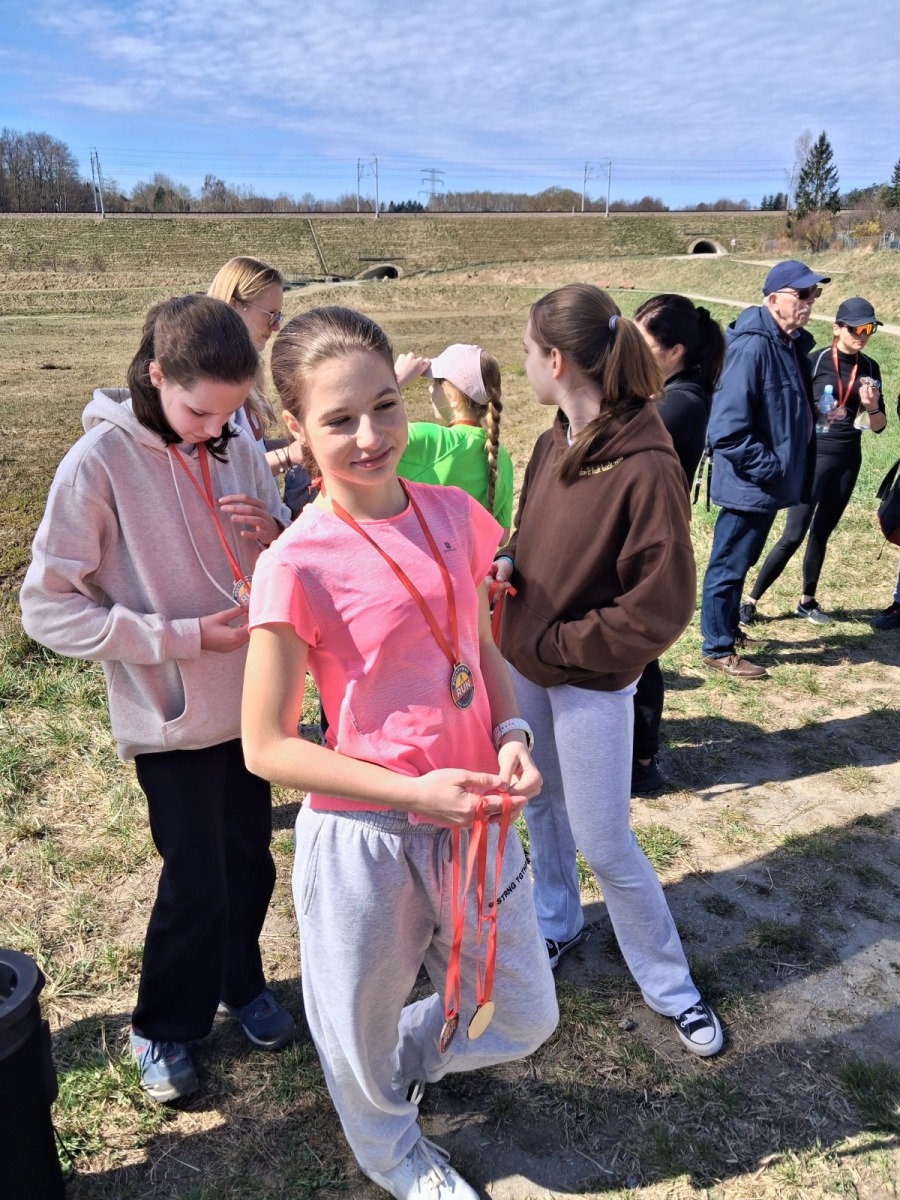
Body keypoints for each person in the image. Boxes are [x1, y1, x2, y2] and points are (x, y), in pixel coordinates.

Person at [241, 306, 558, 1200]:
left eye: (385, 405)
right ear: (296, 429)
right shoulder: (295, 563)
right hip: (367, 840)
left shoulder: (457, 514)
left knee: (523, 1012)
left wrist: (512, 734)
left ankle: (401, 1068)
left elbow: (480, 648)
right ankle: (392, 1153)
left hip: (477, 822)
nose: (371, 436)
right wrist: (413, 794)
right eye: (339, 419)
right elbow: (266, 746)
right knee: (355, 1026)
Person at [19, 295, 296, 1104]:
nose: (215, 430)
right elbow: (47, 608)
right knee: (196, 879)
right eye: (199, 412)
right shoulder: (98, 464)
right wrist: (180, 637)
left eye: (230, 414)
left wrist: (276, 530)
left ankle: (240, 982)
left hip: (249, 705)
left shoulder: (235, 437)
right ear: (155, 375)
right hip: (171, 715)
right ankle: (162, 1025)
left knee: (250, 861)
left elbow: (278, 537)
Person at [491, 283, 723, 1057]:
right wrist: (507, 561)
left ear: (557, 361)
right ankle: (558, 920)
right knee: (541, 805)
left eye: (529, 351)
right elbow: (528, 532)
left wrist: (560, 645)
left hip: (588, 678)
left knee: (604, 840)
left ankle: (671, 985)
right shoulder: (551, 441)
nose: (525, 363)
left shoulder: (646, 463)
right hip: (527, 661)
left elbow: (660, 606)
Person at [699, 260, 829, 679]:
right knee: (728, 564)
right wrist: (772, 468)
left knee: (742, 560)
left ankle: (728, 629)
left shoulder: (787, 343)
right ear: (773, 300)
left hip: (766, 483)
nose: (810, 302)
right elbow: (726, 430)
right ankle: (717, 648)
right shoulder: (753, 347)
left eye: (814, 294)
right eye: (802, 294)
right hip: (750, 482)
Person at [742, 297, 886, 625]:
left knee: (822, 532)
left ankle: (807, 601)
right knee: (793, 534)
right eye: (857, 329)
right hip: (813, 457)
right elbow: (789, 409)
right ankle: (750, 600)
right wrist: (817, 413)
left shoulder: (871, 368)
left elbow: (879, 427)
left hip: (848, 459)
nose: (863, 335)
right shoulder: (815, 360)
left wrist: (872, 406)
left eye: (869, 329)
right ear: (837, 329)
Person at [630, 294, 725, 794]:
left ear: (674, 351)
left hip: (651, 541)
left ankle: (642, 761)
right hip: (648, 533)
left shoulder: (679, 403)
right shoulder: (670, 396)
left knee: (639, 653)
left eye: (642, 344)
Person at [208, 256, 314, 515]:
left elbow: (253, 451)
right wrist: (289, 455)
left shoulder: (241, 371)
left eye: (279, 315)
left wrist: (305, 441)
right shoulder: (214, 380)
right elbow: (224, 472)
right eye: (270, 315)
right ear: (234, 305)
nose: (276, 327)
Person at [394, 344, 514, 539]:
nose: (430, 388)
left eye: (435, 382)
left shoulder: (429, 440)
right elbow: (502, 536)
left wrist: (395, 381)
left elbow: (364, 435)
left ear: (453, 398)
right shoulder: (502, 457)